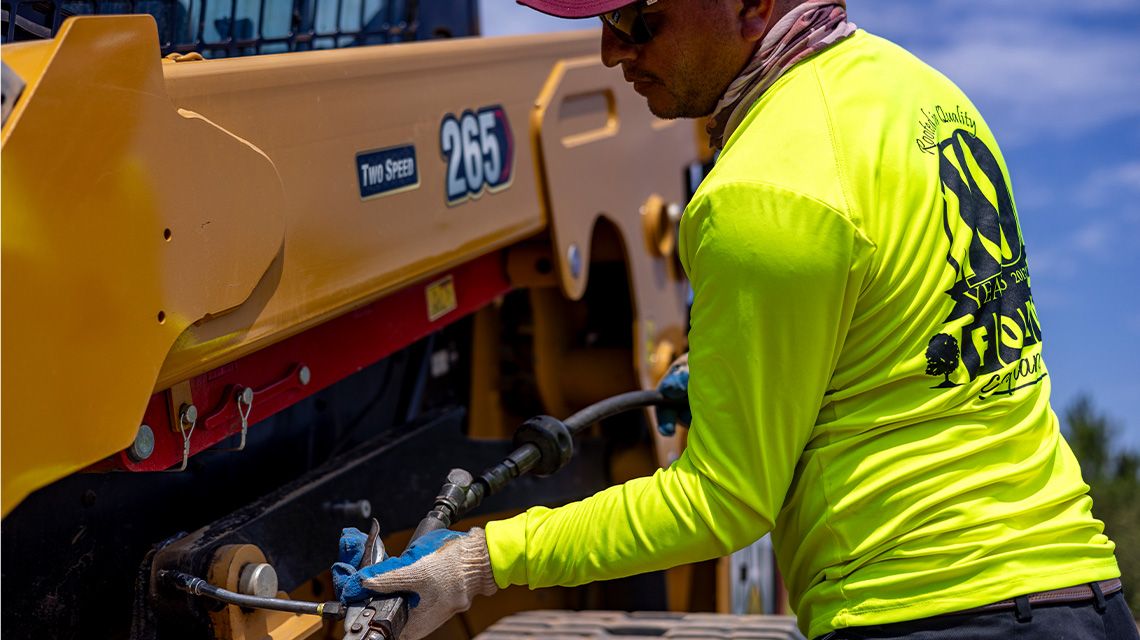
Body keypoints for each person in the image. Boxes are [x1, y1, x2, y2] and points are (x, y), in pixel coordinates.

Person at [330, 1, 1137, 638]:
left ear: (752, 2)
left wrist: (481, 561)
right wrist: (734, 375)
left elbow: (723, 501)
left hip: (924, 612)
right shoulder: (926, 96)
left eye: (640, 17)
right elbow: (907, 343)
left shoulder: (760, 189)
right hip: (1081, 594)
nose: (612, 51)